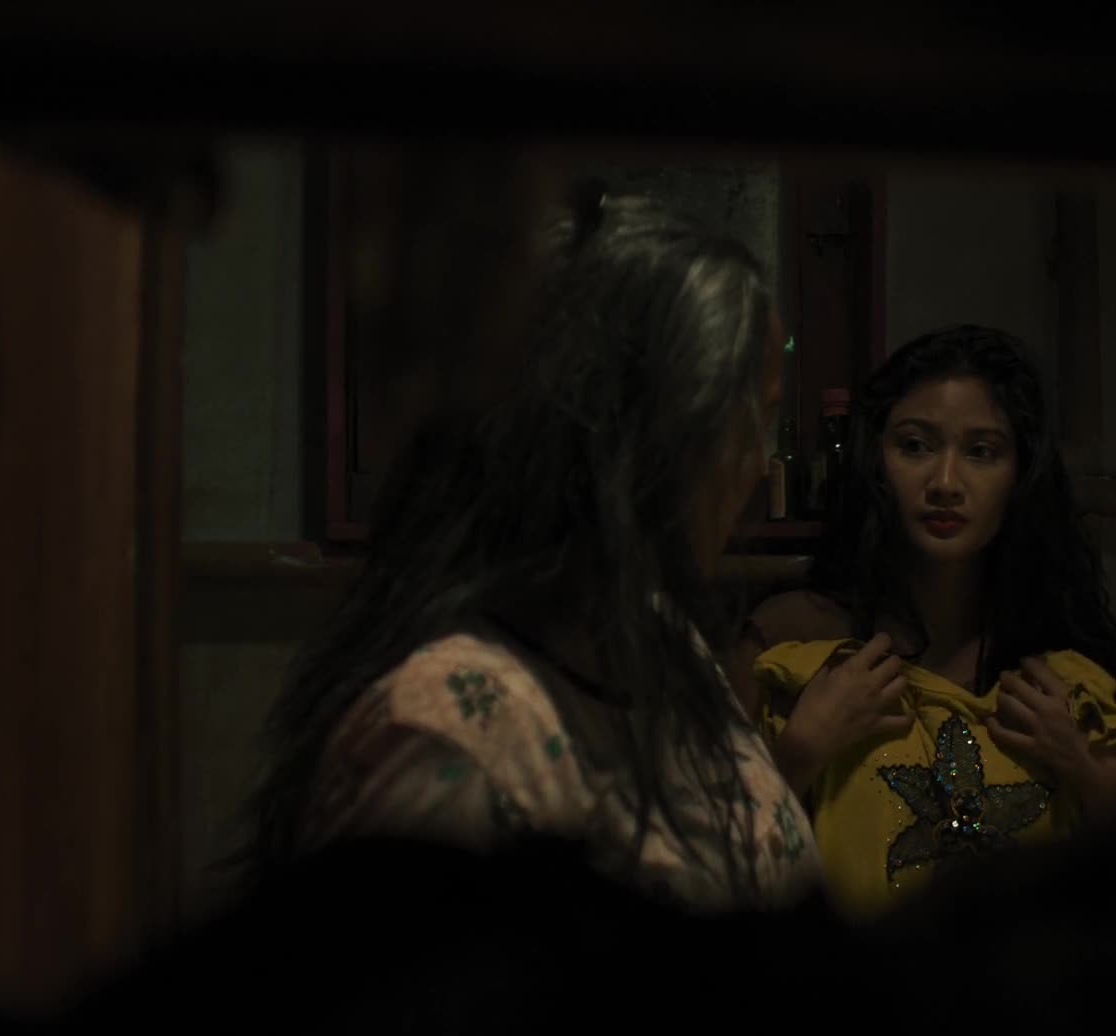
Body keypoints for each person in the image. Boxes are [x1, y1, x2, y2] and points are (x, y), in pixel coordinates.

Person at [246, 185, 819, 912]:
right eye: (745, 420)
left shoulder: (657, 633)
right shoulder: (449, 735)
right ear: (638, 442)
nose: (760, 464)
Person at [731, 325, 1116, 918]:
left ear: (1020, 474)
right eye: (916, 446)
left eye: (981, 452)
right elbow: (703, 859)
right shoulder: (793, 640)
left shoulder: (1060, 668)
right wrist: (798, 755)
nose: (945, 483)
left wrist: (1079, 763)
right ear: (876, 460)